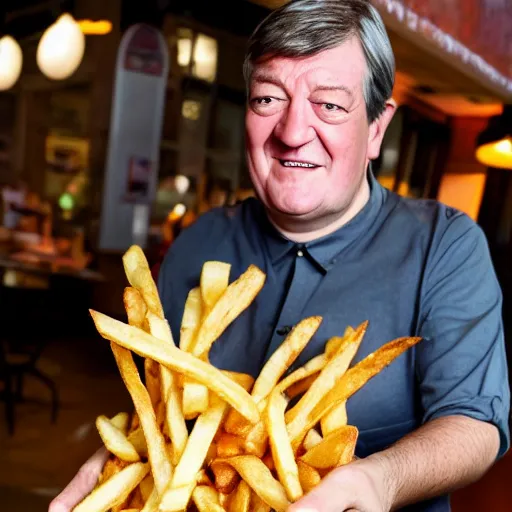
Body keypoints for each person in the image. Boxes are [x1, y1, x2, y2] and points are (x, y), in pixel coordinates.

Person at [50, 1, 510, 511]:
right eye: (268, 99)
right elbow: (163, 412)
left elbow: (475, 424)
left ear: (377, 128)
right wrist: (122, 462)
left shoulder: (445, 247)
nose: (292, 133)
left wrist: (382, 479)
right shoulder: (197, 244)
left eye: (329, 105)